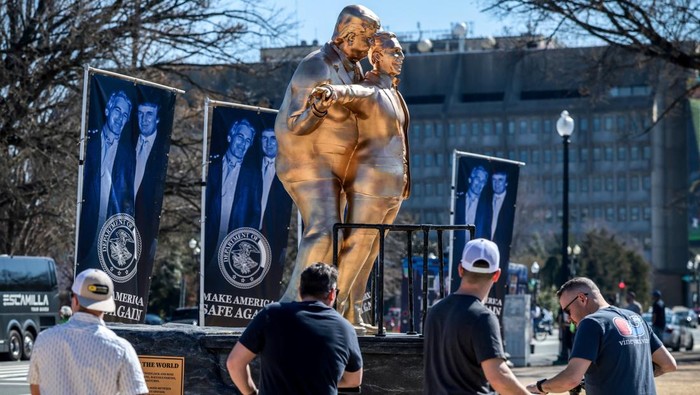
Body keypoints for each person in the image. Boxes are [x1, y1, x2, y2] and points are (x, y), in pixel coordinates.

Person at [275, 5, 381, 302]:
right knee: (324, 229)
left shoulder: (355, 69)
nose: (372, 45)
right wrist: (318, 108)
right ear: (349, 35)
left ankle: (337, 303)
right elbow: (295, 123)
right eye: (369, 38)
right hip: (307, 162)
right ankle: (290, 305)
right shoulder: (317, 66)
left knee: (350, 235)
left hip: (339, 166)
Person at [310, 31, 410, 330]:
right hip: (370, 182)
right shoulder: (371, 89)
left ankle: (353, 310)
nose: (401, 58)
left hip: (395, 185)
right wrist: (331, 92)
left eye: (401, 53)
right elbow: (351, 93)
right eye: (395, 53)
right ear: (376, 58)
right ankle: (336, 310)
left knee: (372, 250)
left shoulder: (394, 92)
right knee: (356, 245)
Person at [226, 262, 362, 394]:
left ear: (300, 291)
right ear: (332, 293)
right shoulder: (345, 328)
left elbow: (234, 363)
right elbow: (354, 380)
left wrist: (250, 393)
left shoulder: (271, 314)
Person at [526, 277, 676, 395]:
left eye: (567, 310)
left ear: (582, 299)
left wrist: (541, 386)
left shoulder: (591, 323)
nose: (569, 318)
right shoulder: (636, 318)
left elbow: (571, 379)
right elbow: (668, 364)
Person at [423, 238, 530, 395]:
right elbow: (498, 377)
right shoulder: (482, 317)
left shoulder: (435, 311)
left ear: (460, 269)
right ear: (496, 275)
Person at [28, 269, 148, 395]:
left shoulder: (44, 339)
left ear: (76, 300)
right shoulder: (121, 349)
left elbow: (35, 387)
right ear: (106, 305)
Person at [77, 90, 135, 265]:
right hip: (82, 225)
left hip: (108, 233)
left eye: (125, 115)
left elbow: (126, 198)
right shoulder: (88, 143)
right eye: (117, 110)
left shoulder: (128, 157)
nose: (120, 118)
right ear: (107, 110)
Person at [204, 118, 258, 262]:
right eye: (240, 137)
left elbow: (255, 215)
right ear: (230, 137)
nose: (243, 144)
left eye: (247, 141)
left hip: (234, 250)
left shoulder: (253, 177)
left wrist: (243, 244)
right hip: (205, 243)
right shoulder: (210, 167)